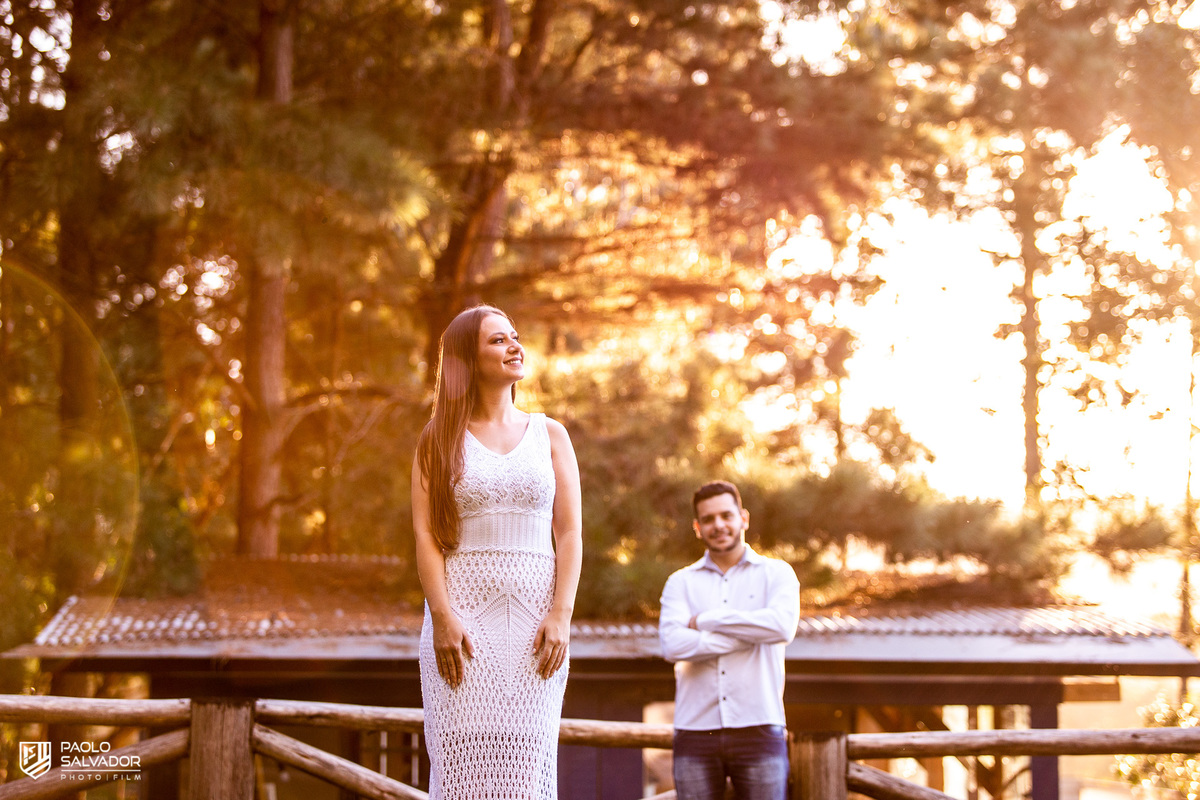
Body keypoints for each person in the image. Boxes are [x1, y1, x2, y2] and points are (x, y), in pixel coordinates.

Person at [412, 304, 583, 799]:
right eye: (497, 340)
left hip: (537, 631)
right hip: (461, 629)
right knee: (462, 773)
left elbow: (569, 533)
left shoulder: (551, 434)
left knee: (528, 775)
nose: (514, 345)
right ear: (468, 359)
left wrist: (561, 615)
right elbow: (425, 536)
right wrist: (442, 618)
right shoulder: (437, 440)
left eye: (514, 335)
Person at [659, 480, 801, 800]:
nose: (718, 525)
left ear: (743, 518)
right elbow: (672, 645)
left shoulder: (777, 574)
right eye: (708, 519)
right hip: (695, 734)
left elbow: (781, 627)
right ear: (697, 527)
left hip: (760, 729)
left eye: (726, 515)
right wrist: (749, 636)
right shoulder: (680, 583)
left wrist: (706, 620)